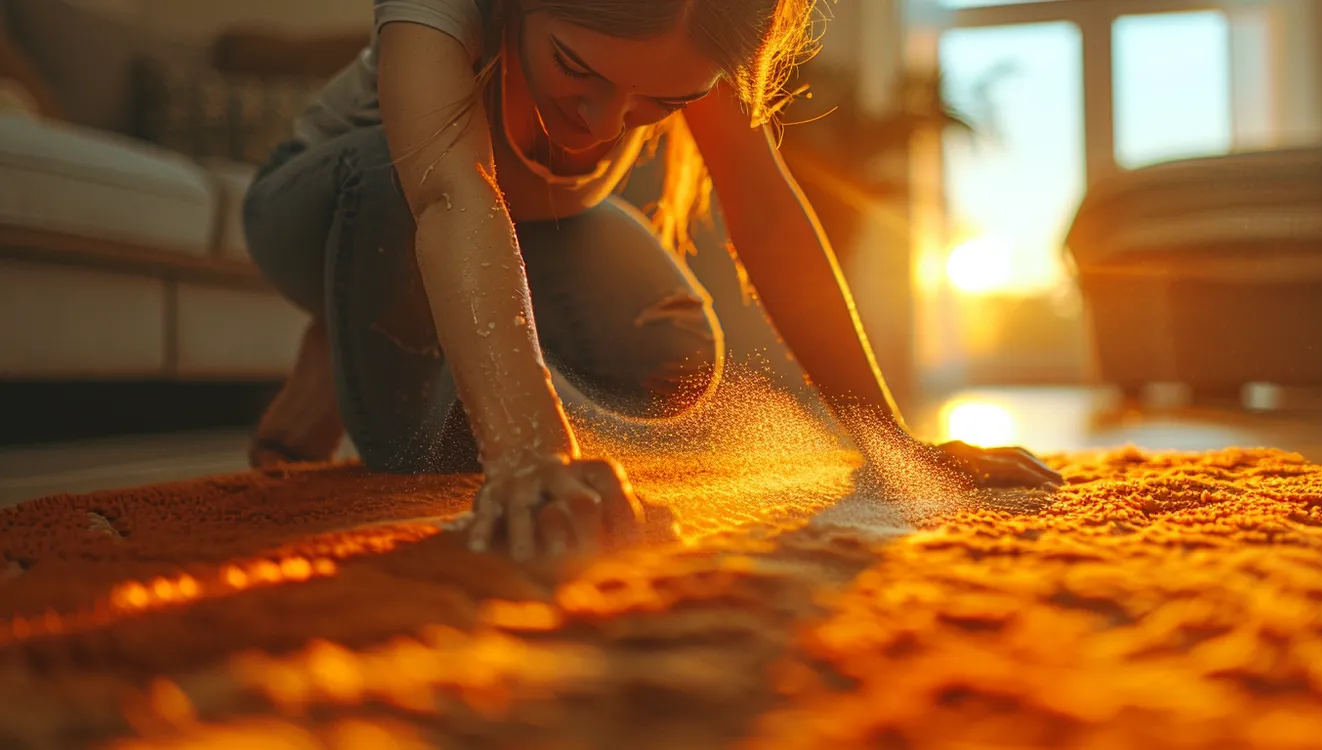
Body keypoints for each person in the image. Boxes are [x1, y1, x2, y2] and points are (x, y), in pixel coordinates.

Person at [242, 0, 1064, 561]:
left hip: (527, 227)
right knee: (427, 455)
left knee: (672, 359)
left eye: (659, 103)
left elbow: (768, 216)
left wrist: (890, 440)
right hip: (339, 207)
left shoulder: (700, 21)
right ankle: (355, 322)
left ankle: (378, 338)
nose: (602, 127)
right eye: (577, 68)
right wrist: (529, 456)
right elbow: (452, 199)